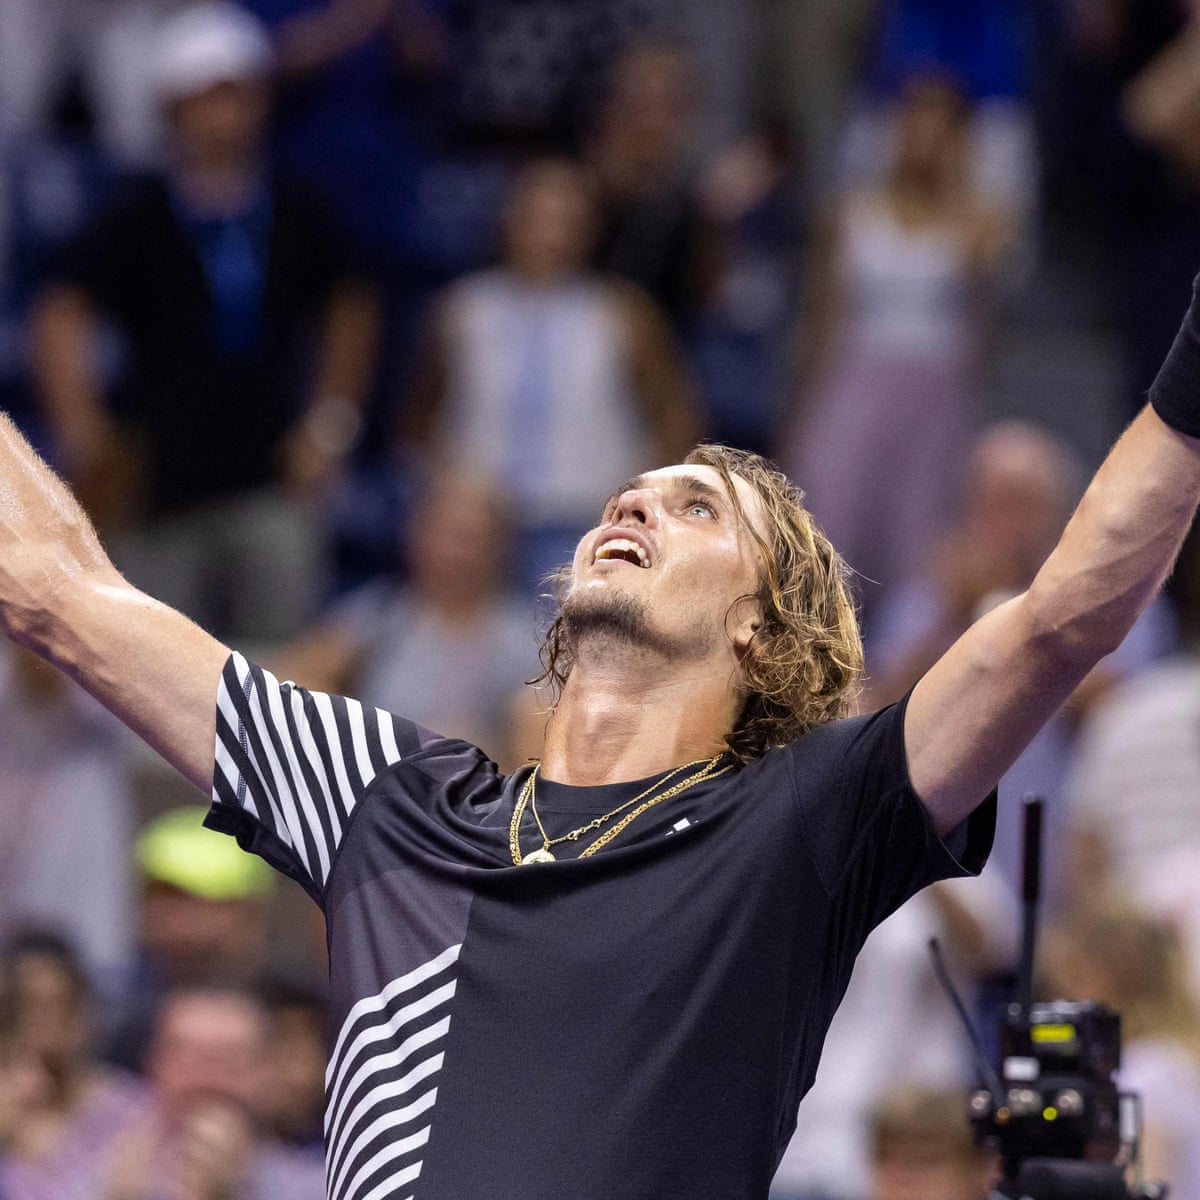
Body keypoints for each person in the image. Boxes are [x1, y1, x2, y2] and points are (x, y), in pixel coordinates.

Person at [3, 268, 1200, 1198]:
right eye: (634, 491)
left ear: (763, 637)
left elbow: (1059, 619)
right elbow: (58, 593)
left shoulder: (797, 824)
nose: (637, 499)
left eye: (697, 508)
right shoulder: (381, 793)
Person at [31, 1, 379, 643]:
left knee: (283, 677)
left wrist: (331, 425)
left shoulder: (296, 204)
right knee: (156, 675)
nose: (225, 115)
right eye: (207, 98)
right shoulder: (135, 213)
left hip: (272, 479)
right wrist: (85, 436)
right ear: (173, 108)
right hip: (159, 487)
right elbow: (60, 311)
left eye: (238, 96)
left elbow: (352, 301)